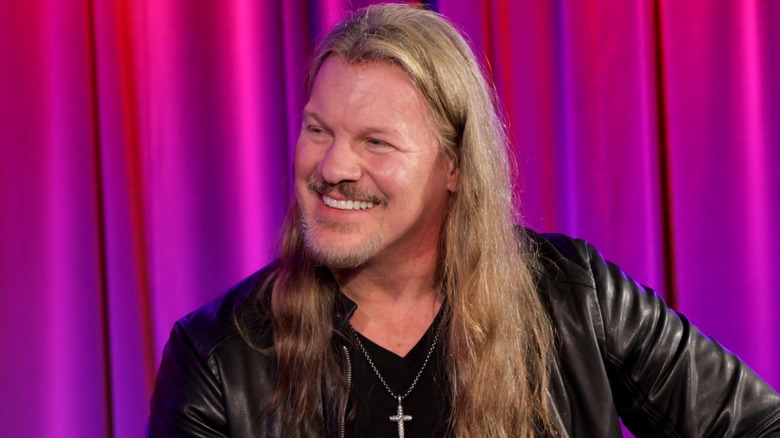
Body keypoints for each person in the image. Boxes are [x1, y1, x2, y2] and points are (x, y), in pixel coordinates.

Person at [147, 4, 780, 437]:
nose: (332, 166)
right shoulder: (217, 357)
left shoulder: (577, 297)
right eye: (318, 130)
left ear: (454, 165)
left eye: (375, 142)